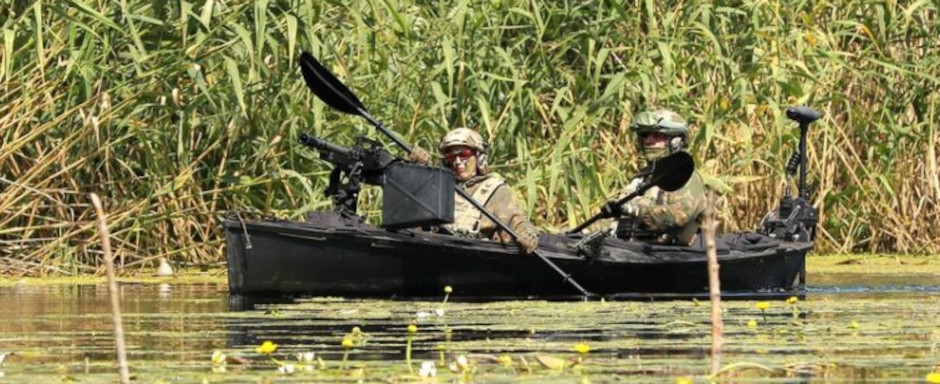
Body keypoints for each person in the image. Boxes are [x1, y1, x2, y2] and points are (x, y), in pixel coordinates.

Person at [408, 128, 539, 254]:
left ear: (479, 157)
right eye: (451, 157)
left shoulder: (495, 190)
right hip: (437, 255)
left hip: (478, 260)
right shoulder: (438, 186)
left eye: (464, 155)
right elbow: (411, 213)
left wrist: (527, 234)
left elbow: (517, 221)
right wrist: (417, 170)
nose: (457, 162)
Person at [599, 109, 706, 245]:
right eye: (645, 135)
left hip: (672, 256)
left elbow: (678, 216)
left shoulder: (685, 176)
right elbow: (620, 220)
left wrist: (633, 210)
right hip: (631, 252)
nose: (648, 141)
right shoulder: (641, 178)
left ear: (676, 141)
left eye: (657, 135)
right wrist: (613, 212)